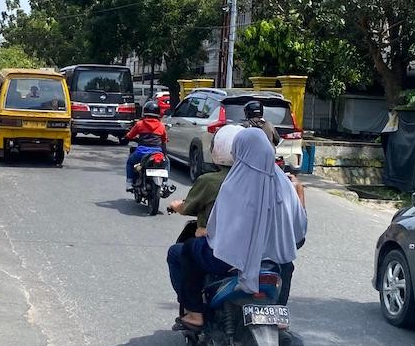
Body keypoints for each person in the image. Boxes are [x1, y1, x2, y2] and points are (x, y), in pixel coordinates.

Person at [201, 120, 308, 326]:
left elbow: (215, 232)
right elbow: (299, 231)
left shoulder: (234, 183)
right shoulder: (285, 184)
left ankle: (199, 314)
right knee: (287, 267)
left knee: (189, 254)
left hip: (234, 260)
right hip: (276, 261)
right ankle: (279, 316)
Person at [166, 124, 242, 323]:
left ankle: (194, 310)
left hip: (224, 252)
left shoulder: (210, 181)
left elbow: (189, 207)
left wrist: (177, 206)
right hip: (261, 251)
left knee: (179, 252)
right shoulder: (264, 180)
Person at [123, 101, 168, 191]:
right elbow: (164, 140)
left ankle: (129, 183)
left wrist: (127, 136)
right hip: (157, 153)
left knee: (130, 162)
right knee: (167, 163)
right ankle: (165, 183)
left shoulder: (140, 124)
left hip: (141, 152)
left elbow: (130, 135)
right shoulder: (161, 126)